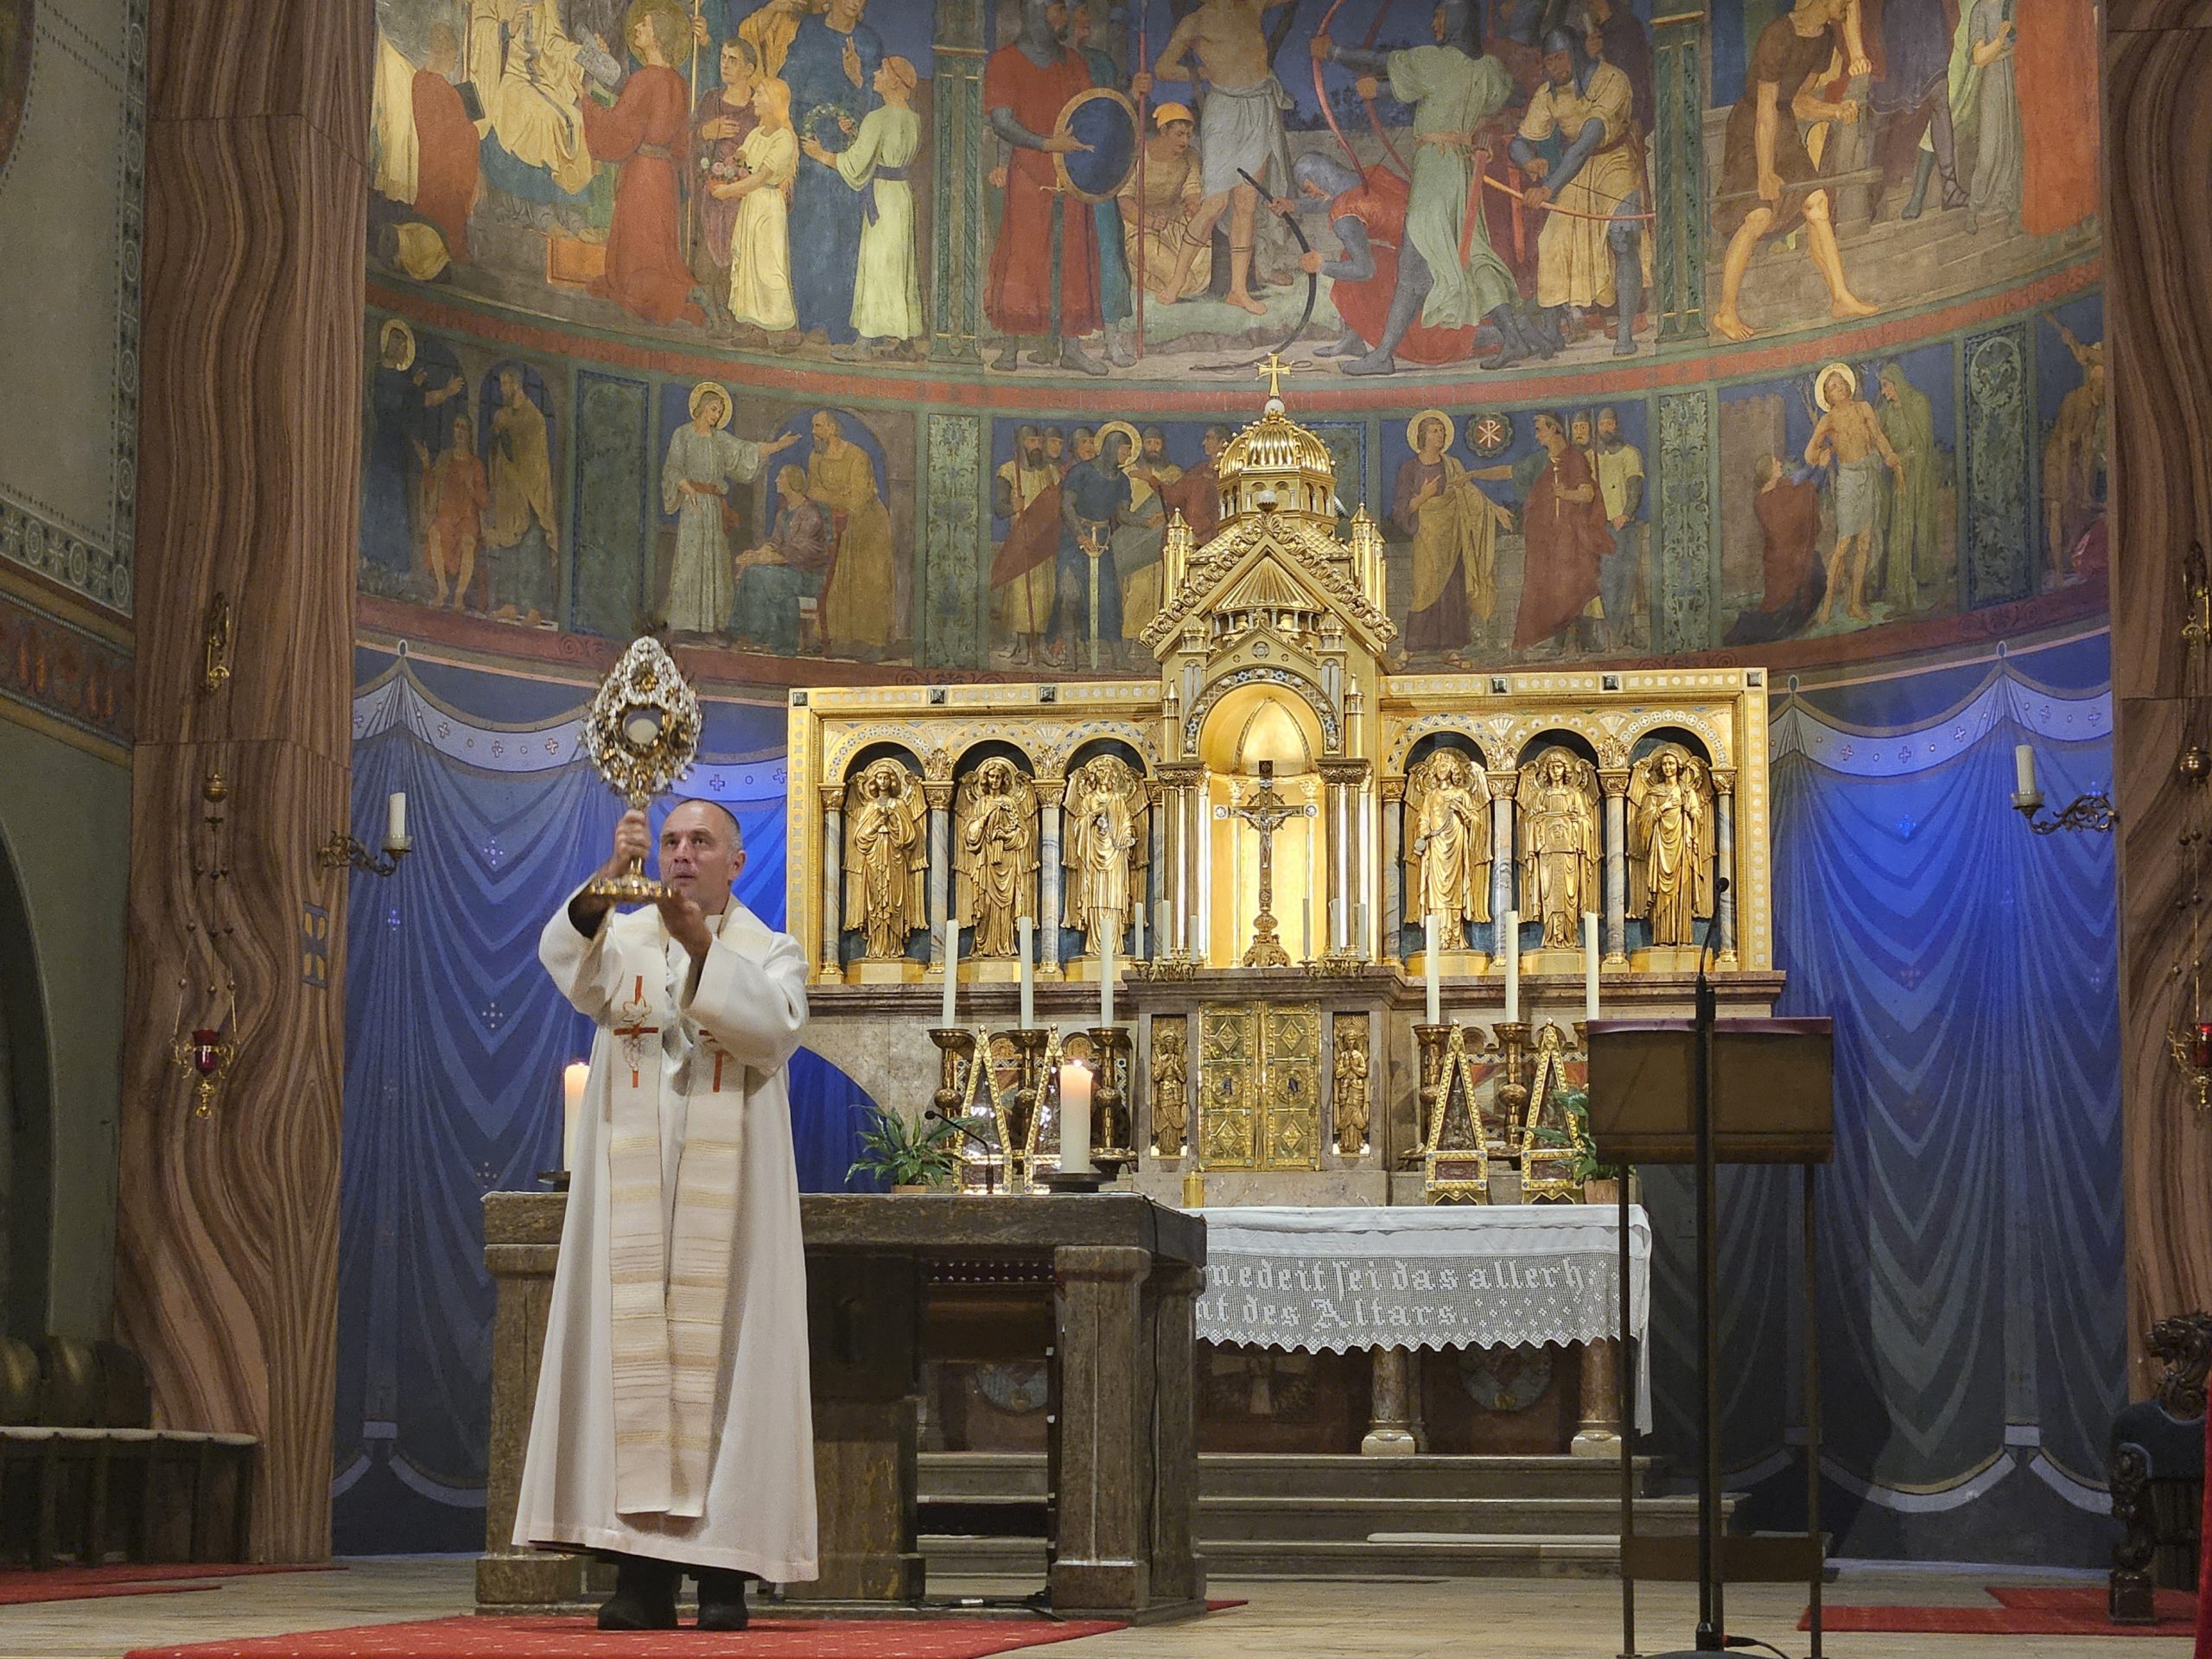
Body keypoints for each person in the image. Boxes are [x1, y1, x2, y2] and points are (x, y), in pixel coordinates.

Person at [518, 800, 816, 1632]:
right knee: (636, 1366)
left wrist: (701, 948)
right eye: (673, 841)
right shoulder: (626, 940)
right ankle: (641, 1574)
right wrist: (606, 883)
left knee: (729, 1371)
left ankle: (724, 1577)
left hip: (733, 1209)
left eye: (701, 842)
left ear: (736, 863)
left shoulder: (771, 951)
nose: (682, 854)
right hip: (634, 1194)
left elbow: (772, 1030)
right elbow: (567, 962)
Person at [1312, 3, 1540, 375]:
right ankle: (1513, 338)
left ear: (1456, 19)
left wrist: (1333, 53)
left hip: (1436, 169)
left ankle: (1383, 356)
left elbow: (1383, 61)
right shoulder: (1488, 69)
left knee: (1414, 262)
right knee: (1474, 255)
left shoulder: (1437, 60)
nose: (1434, 22)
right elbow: (1486, 93)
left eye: (1440, 14)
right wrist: (1381, 91)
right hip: (1463, 169)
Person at [1709, 0, 1878, 343]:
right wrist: (1765, 174)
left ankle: (1840, 297)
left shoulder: (1824, 39)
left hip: (1782, 125)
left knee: (1817, 203)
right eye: (1846, 1)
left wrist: (1834, 111)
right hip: (1751, 129)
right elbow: (1765, 112)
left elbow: (1797, 102)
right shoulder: (1778, 35)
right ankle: (1725, 310)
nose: (1850, 7)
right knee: (1757, 216)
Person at [985, 0, 1108, 376]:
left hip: (1071, 174)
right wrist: (1046, 144)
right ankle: (1011, 346)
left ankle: (1071, 348)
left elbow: (1090, 111)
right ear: (1035, 12)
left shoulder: (1074, 62)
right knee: (1023, 258)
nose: (1063, 18)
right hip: (1028, 173)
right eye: (1056, 10)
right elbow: (1002, 121)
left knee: (1074, 258)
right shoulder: (1005, 61)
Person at [1510, 25, 1647, 359]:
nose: (1555, 67)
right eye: (1549, 62)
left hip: (1615, 160)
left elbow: (1587, 142)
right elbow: (1519, 142)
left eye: (1561, 58)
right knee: (1552, 240)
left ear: (1576, 53)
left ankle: (1625, 331)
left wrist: (1548, 189)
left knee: (1623, 235)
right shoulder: (1548, 94)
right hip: (1578, 171)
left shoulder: (1611, 80)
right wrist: (1528, 160)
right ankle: (1552, 333)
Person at [1154, 0, 1296, 318]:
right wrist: (1204, 71)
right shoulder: (1196, 22)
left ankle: (1238, 290)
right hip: (1224, 111)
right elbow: (1163, 68)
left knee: (1247, 202)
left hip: (1259, 107)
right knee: (1215, 204)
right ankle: (1177, 281)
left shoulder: (1253, 5)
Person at [1283, 151, 1473, 367]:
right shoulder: (1371, 174)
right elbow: (1341, 195)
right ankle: (1353, 339)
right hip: (1436, 239)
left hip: (1422, 258)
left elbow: (1365, 271)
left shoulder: (1344, 216)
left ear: (1321, 178)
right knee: (1351, 256)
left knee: (1430, 336)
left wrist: (1322, 266)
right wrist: (1294, 206)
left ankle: (1382, 357)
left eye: (1310, 189)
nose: (1311, 196)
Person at [580, 7, 707, 327]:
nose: (637, 27)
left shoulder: (642, 79)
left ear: (658, 36)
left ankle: (664, 294)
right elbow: (681, 144)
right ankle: (678, 290)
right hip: (665, 176)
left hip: (643, 174)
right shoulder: (680, 84)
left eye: (645, 24)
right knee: (658, 246)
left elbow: (618, 129)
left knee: (641, 250)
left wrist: (585, 102)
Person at [803, 57, 923, 359]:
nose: (875, 74)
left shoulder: (878, 118)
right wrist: (856, 134)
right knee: (899, 266)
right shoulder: (912, 118)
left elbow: (857, 164)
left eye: (882, 71)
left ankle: (864, 344)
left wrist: (820, 154)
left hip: (881, 198)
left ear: (894, 81)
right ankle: (904, 342)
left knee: (878, 265)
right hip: (900, 197)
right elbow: (884, 152)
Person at [782, 0, 884, 348]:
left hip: (848, 153)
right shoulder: (810, 31)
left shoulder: (868, 42)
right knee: (811, 235)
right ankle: (810, 319)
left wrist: (858, 81)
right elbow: (789, 84)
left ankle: (839, 322)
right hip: (809, 145)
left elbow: (876, 106)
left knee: (844, 237)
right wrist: (792, 136)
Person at [662, 384, 798, 639]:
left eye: (720, 411)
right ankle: (683, 624)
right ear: (701, 408)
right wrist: (687, 487)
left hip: (714, 507)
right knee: (690, 561)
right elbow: (672, 469)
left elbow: (746, 451)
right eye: (714, 409)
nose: (716, 415)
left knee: (714, 563)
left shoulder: (720, 440)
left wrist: (777, 446)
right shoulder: (683, 435)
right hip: (693, 507)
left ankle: (712, 626)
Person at [1393, 412, 1513, 658]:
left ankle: (1450, 649)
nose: (1441, 435)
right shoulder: (1410, 468)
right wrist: (1425, 496)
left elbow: (1469, 493)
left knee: (1452, 593)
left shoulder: (1452, 465)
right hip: (1427, 537)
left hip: (1454, 537)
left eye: (1442, 430)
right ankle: (1409, 650)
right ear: (1422, 436)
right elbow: (1402, 509)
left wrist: (1495, 509)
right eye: (1435, 431)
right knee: (1423, 590)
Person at [1067, 0, 1147, 367]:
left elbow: (1113, 110)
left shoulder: (1100, 62)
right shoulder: (1049, 63)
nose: (1085, 20)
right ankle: (1067, 346)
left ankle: (1112, 341)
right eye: (1078, 13)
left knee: (1109, 254)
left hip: (1098, 174)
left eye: (1087, 12)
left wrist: (1133, 93)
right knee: (1070, 260)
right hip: (1061, 174)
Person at [1803, 365, 1904, 627]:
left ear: (1849, 386)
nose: (1840, 388)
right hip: (1848, 481)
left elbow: (1879, 437)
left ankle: (1854, 604)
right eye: (1833, 387)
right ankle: (1826, 606)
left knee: (1865, 542)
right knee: (1843, 545)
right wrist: (1821, 457)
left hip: (1868, 475)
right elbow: (1809, 453)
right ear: (1827, 397)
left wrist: (1890, 457)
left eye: (1841, 383)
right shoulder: (1828, 420)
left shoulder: (1864, 408)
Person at [1506, 411, 1614, 654]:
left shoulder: (1574, 459)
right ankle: (1558, 640)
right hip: (1548, 539)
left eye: (1539, 429)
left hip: (1571, 536)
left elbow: (1587, 494)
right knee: (1550, 588)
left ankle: (1573, 640)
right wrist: (1473, 475)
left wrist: (1565, 494)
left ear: (1554, 428)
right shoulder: (1540, 461)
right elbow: (1509, 472)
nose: (1536, 435)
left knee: (1570, 587)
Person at [807, 410, 896, 658]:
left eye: (818, 426)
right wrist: (840, 498)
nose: (814, 432)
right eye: (813, 426)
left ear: (832, 428)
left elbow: (858, 501)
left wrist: (830, 496)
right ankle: (833, 638)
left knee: (870, 581)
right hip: (839, 524)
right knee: (838, 582)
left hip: (869, 526)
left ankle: (873, 643)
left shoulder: (858, 456)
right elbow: (811, 490)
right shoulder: (815, 458)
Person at [690, 37, 762, 336]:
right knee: (708, 261)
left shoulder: (759, 106)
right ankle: (715, 315)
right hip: (713, 196)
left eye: (733, 60)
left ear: (749, 69)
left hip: (746, 198)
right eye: (722, 57)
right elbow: (687, 142)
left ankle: (738, 317)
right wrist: (705, 132)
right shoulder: (711, 100)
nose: (725, 65)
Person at [719, 78, 800, 337]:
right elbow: (739, 160)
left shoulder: (784, 138)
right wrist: (719, 170)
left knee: (768, 268)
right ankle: (757, 331)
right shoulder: (756, 134)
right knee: (750, 265)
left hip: (768, 206)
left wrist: (726, 191)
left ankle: (784, 329)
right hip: (751, 205)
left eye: (760, 95)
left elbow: (760, 177)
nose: (754, 99)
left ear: (774, 101)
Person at [1872, 0, 1964, 220]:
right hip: (1898, 25)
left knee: (1939, 97)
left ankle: (1950, 187)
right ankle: (1869, 195)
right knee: (1881, 112)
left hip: (1930, 22)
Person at [1725, 454, 1826, 645]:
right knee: (1783, 607)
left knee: (1816, 572)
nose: (1779, 463)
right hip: (1782, 560)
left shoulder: (1778, 489)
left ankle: (1795, 622)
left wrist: (1814, 465)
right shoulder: (1767, 500)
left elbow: (1798, 480)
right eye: (1775, 462)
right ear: (1769, 472)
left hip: (1788, 555)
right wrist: (1821, 468)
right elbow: (1809, 491)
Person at [485, 366, 560, 623]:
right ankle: (509, 604)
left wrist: (507, 435)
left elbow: (531, 459)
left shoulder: (534, 419)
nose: (502, 389)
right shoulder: (502, 415)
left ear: (517, 386)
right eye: (501, 384)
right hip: (508, 495)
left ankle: (534, 610)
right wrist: (496, 434)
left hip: (530, 496)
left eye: (506, 384)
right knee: (508, 548)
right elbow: (494, 451)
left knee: (531, 551)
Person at [734, 464, 836, 652]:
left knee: (759, 573)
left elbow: (799, 552)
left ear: (793, 482)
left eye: (780, 477)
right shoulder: (783, 513)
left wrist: (762, 559)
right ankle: (752, 635)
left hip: (808, 576)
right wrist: (755, 555)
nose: (776, 480)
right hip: (788, 571)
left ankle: (772, 639)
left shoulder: (810, 514)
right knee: (751, 570)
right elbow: (774, 542)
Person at [1054, 427, 1133, 666]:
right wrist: (1080, 535)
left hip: (1102, 543)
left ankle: (1119, 658)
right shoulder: (1080, 472)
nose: (1128, 455)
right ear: (1112, 448)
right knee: (1069, 596)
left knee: (1108, 598)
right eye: (1125, 449)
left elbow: (1122, 515)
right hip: (1074, 541)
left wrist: (1148, 521)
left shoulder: (1122, 480)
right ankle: (1071, 658)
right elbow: (1067, 506)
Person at [1122, 105, 1211, 302]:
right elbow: (1124, 202)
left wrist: (1194, 206)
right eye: (1179, 134)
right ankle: (1133, 274)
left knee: (1205, 272)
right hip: (1139, 227)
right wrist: (1151, 222)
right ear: (1163, 130)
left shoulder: (1191, 156)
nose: (1185, 141)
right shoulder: (1138, 155)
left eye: (1188, 135)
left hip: (1175, 224)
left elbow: (1192, 190)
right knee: (1184, 282)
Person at [410, 26, 480, 268]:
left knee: (430, 208)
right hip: (448, 169)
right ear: (445, 52)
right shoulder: (442, 89)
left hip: (430, 162)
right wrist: (473, 131)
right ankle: (445, 259)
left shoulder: (419, 78)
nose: (454, 60)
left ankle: (427, 255)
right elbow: (459, 132)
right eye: (453, 55)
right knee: (448, 214)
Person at [1873, 364, 1940, 611]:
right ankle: (1899, 590)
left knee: (1919, 526)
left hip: (1918, 474)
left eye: (1886, 386)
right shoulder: (1886, 412)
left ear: (1897, 382)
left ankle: (1923, 581)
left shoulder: (1919, 403)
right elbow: (1876, 437)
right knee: (1899, 528)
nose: (1884, 392)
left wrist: (1900, 457)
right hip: (1898, 477)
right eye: (1881, 387)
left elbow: (1922, 446)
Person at [993, 425, 1060, 665]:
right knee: (1021, 595)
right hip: (1021, 541)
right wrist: (1013, 507)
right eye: (1031, 441)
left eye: (1039, 441)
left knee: (1045, 596)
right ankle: (1021, 646)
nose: (1037, 446)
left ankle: (1041, 646)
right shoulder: (1008, 471)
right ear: (1021, 444)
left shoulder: (1051, 472)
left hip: (1045, 542)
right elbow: (999, 508)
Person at [1961, 2, 2022, 235]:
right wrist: (1999, 41)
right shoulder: (1980, 9)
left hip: (2018, 77)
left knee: (2015, 150)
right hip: (1993, 81)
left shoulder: (2015, 4)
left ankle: (2014, 210)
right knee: (1988, 153)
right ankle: (1974, 208)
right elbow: (1979, 58)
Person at [1591, 408, 1644, 650]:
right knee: (1606, 583)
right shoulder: (1590, 457)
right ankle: (1611, 635)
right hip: (1602, 527)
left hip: (1625, 526)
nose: (1606, 428)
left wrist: (1626, 514)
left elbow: (1635, 487)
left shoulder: (1630, 453)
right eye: (1602, 424)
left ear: (1616, 426)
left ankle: (1626, 632)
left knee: (1627, 580)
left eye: (1610, 423)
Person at [424, 413, 489, 612]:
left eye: (464, 428)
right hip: (447, 514)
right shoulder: (445, 458)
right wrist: (426, 465)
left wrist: (471, 487)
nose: (459, 431)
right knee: (434, 533)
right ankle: (442, 590)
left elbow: (484, 502)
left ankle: (459, 596)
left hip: (467, 517)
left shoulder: (475, 464)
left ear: (469, 433)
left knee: (468, 542)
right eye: (457, 426)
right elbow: (432, 487)